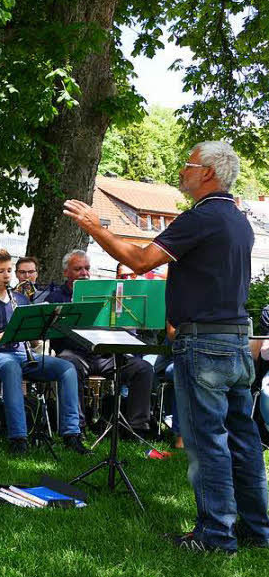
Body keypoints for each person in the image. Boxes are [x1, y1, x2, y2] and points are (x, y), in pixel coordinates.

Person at [64, 140, 269, 554]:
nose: (182, 171)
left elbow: (140, 261)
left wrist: (95, 227)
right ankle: (257, 530)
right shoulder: (239, 220)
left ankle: (215, 535)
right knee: (243, 439)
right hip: (234, 339)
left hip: (205, 341)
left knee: (207, 440)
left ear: (209, 172)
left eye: (189, 165)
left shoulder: (203, 217)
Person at [0, 249, 90, 456]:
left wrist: (43, 325)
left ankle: (72, 433)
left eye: (9, 270)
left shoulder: (21, 300)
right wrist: (8, 334)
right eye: (1, 271)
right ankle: (18, 438)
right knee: (11, 367)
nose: (7, 275)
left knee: (67, 368)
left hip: (24, 354)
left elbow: (34, 340)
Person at [47, 249, 155, 438]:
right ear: (66, 272)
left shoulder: (104, 295)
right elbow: (53, 337)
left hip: (106, 354)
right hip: (75, 353)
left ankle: (137, 428)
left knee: (143, 368)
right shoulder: (55, 298)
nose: (84, 273)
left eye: (87, 268)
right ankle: (77, 427)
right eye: (78, 269)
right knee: (68, 365)